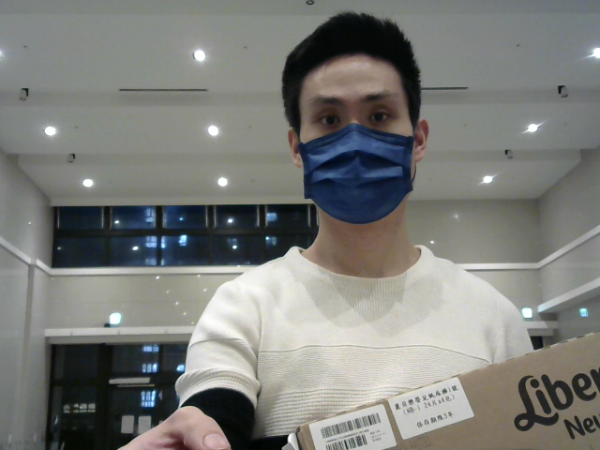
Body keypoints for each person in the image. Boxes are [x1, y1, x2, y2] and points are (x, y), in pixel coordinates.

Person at [121, 12, 533, 450]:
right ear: (298, 148)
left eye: (379, 115)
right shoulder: (243, 307)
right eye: (330, 120)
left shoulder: (493, 317)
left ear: (418, 139)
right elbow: (215, 424)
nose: (355, 141)